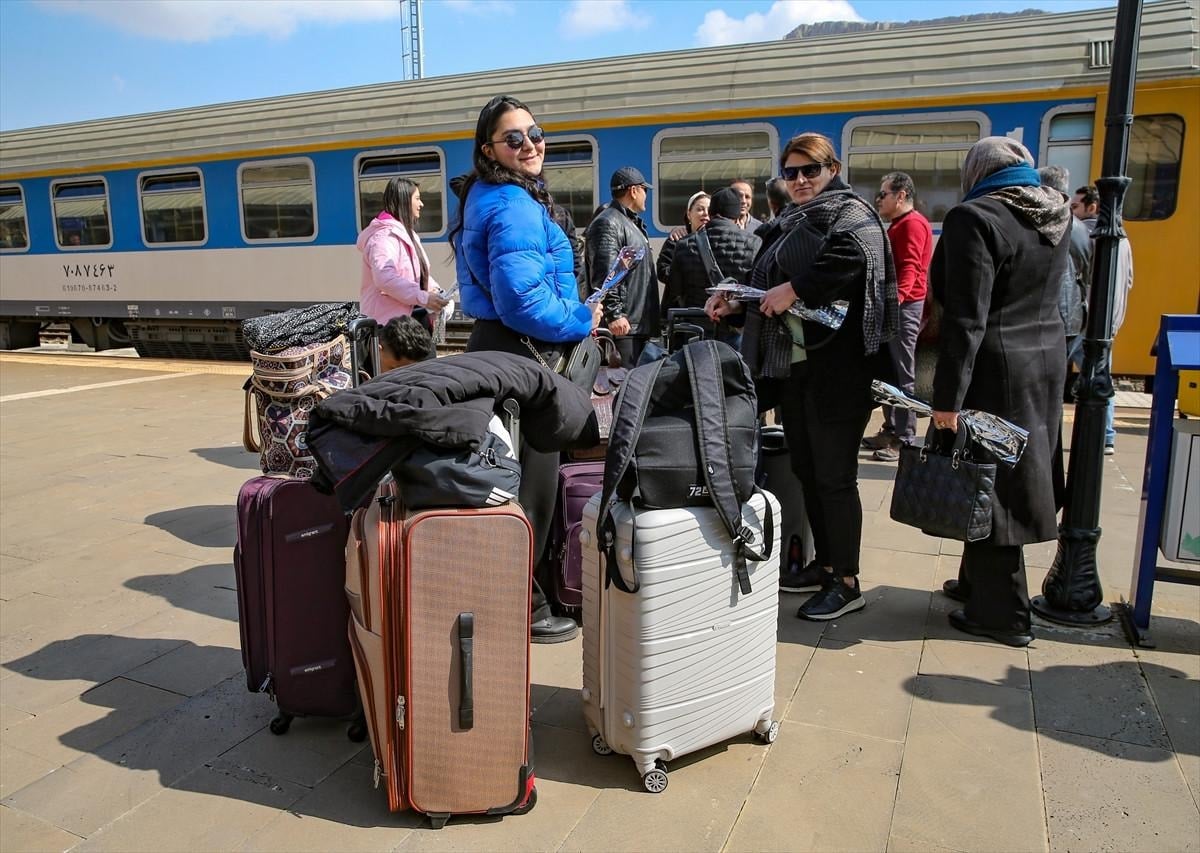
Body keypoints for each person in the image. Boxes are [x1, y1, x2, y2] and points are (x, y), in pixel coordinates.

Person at [706, 132, 897, 621]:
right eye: (791, 172)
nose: (800, 180)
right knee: (809, 473)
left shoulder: (853, 216)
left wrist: (795, 288)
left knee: (835, 478)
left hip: (841, 373)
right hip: (794, 370)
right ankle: (825, 566)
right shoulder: (789, 222)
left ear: (833, 169)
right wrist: (738, 304)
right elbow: (770, 291)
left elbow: (848, 263)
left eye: (810, 170)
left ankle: (847, 582)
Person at [452, 94, 603, 644]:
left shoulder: (491, 195)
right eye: (513, 138)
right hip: (525, 358)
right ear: (488, 149)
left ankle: (525, 596)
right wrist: (581, 318)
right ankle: (524, 608)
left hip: (502, 352)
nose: (530, 145)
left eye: (535, 134)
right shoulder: (512, 204)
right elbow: (522, 302)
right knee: (532, 489)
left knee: (511, 481)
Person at [933, 137, 1071, 647]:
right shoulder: (1054, 212)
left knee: (993, 485)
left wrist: (946, 401)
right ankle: (976, 583)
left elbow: (966, 319)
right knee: (1001, 477)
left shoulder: (975, 217)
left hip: (994, 368)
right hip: (1044, 357)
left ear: (977, 171)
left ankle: (1004, 614)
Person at [863, 171, 933, 462]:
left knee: (902, 374)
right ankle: (891, 428)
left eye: (883, 194)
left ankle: (905, 438)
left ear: (901, 195)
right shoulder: (899, 224)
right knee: (888, 372)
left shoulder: (912, 224)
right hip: (897, 307)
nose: (878, 200)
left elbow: (911, 269)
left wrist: (895, 302)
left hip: (904, 308)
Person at [1072, 183, 1133, 454]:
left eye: (1076, 206)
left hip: (1085, 319)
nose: (1072, 212)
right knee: (1101, 376)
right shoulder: (1124, 240)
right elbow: (1129, 280)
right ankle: (1106, 435)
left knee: (1050, 372)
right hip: (1109, 320)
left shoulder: (1086, 234)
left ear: (1092, 207)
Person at [664, 187, 760, 344]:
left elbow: (674, 292)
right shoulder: (754, 243)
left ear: (711, 212)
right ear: (737, 215)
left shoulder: (685, 244)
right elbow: (756, 293)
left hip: (696, 332)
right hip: (738, 335)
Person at [585, 167, 658, 366]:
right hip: (623, 326)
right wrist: (614, 314)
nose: (646, 196)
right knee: (621, 380)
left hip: (634, 324)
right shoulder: (608, 223)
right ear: (634, 191)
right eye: (644, 190)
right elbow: (606, 274)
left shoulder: (629, 223)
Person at [357, 177, 449, 326]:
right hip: (389, 325)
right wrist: (424, 298)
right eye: (417, 198)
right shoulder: (383, 237)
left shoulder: (408, 234)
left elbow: (419, 274)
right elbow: (385, 278)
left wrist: (437, 292)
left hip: (409, 321)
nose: (421, 204)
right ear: (404, 201)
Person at [1037, 167, 1092, 395]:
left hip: (1051, 311)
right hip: (1073, 314)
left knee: (1042, 384)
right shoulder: (1080, 226)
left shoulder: (1047, 220)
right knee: (1054, 383)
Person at [656, 191, 710, 287]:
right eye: (700, 209)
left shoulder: (717, 240)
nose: (706, 213)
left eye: (709, 210)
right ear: (689, 214)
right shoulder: (676, 239)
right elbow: (662, 271)